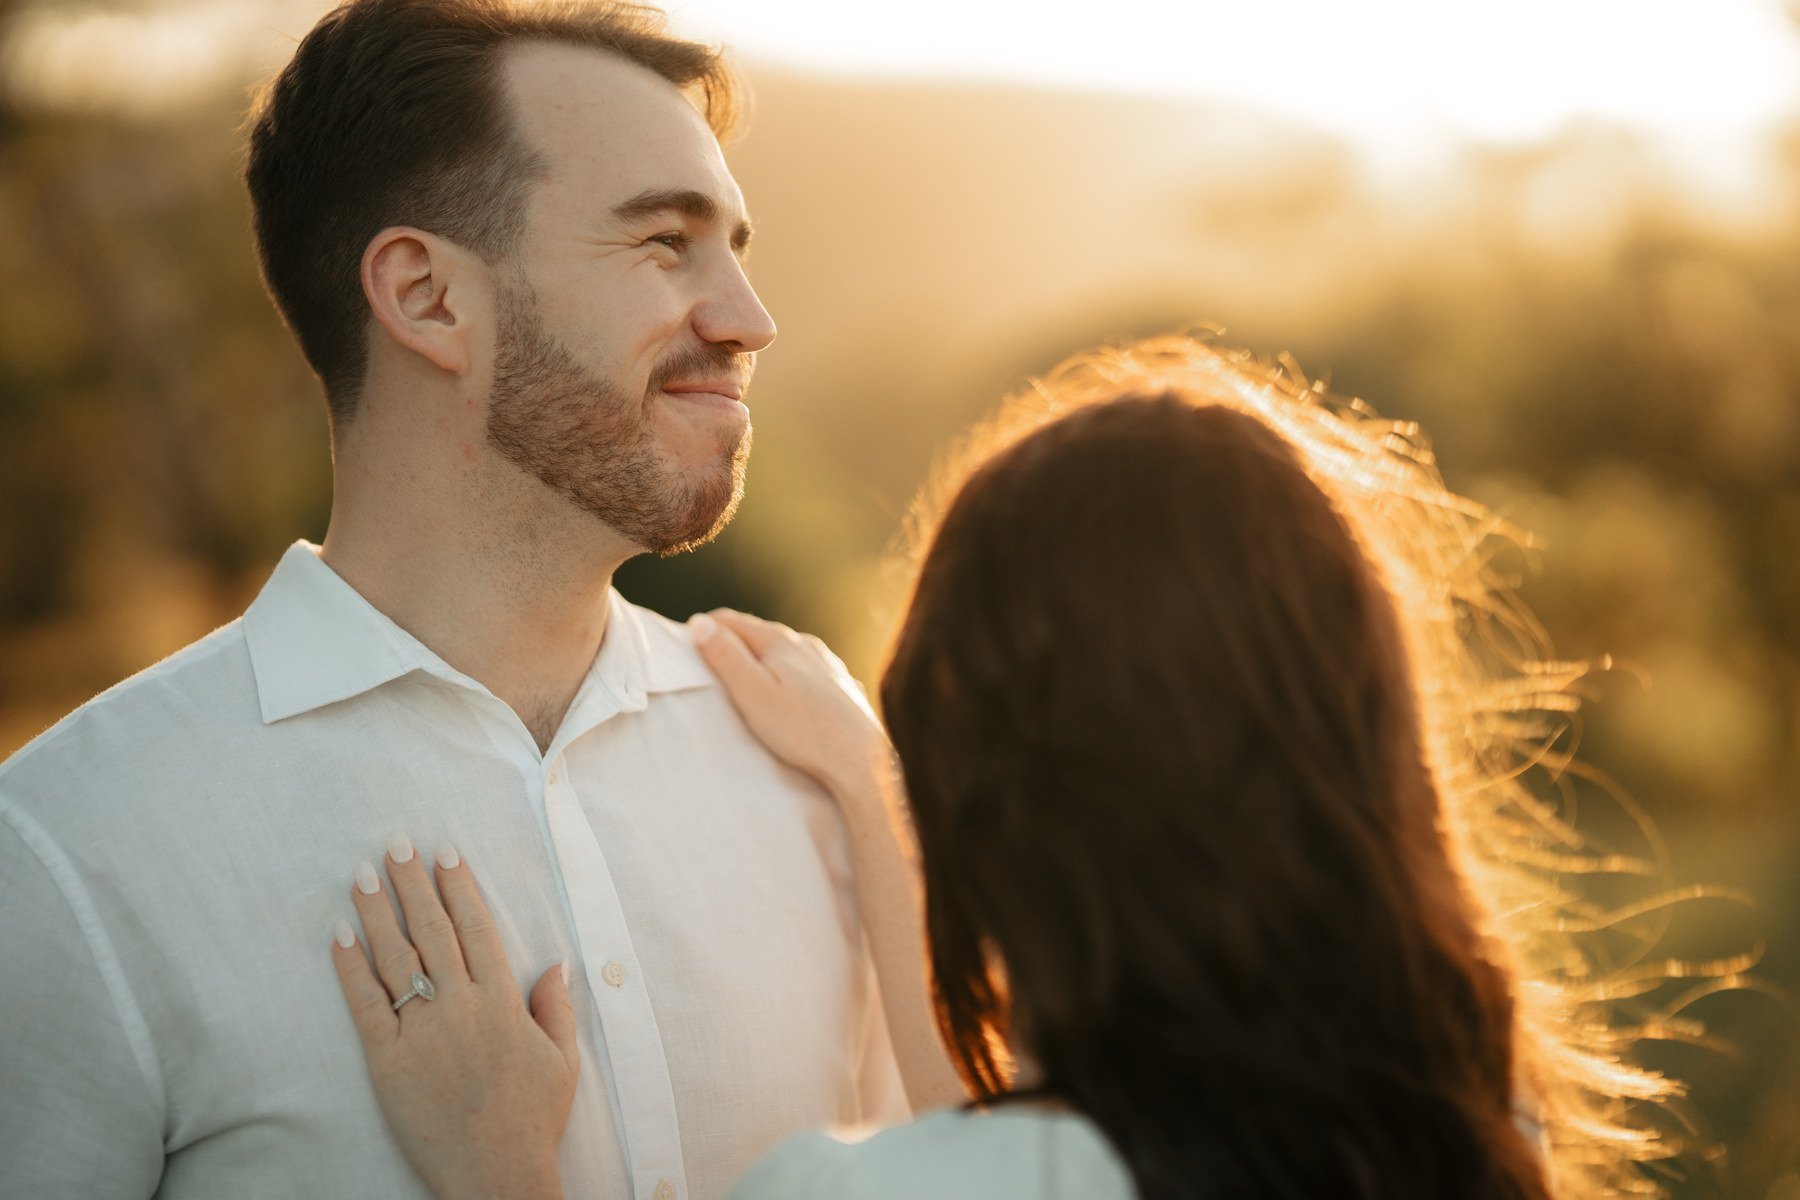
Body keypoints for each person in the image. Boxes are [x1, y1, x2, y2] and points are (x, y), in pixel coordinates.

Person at [326, 336, 1681, 1199]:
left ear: (1001, 784)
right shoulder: (1472, 1129)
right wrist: (869, 795)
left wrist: (503, 1177)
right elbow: (1041, 1138)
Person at [0, 2, 909, 1196]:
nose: (749, 318)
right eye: (663, 242)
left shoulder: (813, 768)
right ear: (427, 296)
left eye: (735, 244)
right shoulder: (68, 853)